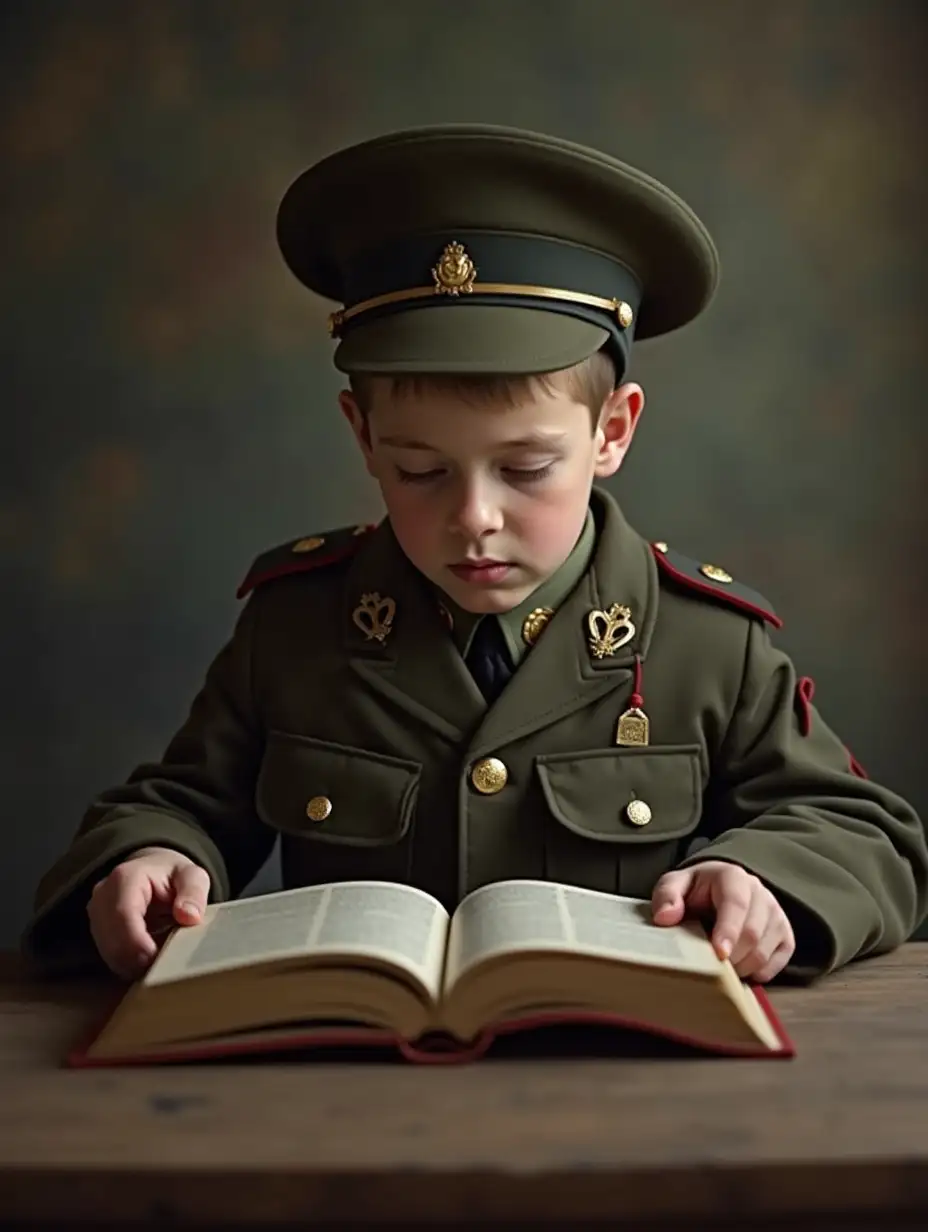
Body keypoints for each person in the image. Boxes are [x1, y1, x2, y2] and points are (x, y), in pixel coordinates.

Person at [22, 124, 927, 986]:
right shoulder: (297, 627)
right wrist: (155, 856)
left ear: (613, 431)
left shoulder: (701, 642)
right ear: (362, 436)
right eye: (420, 471)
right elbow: (177, 803)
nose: (474, 517)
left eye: (527, 469)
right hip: (341, 1078)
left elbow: (864, 834)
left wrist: (762, 882)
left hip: (619, 1078)